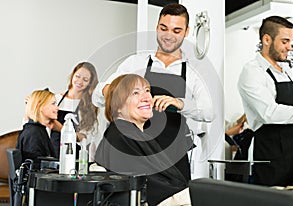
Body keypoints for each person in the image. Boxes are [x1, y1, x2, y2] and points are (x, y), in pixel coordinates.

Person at [92, 3, 213, 180]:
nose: (168, 36)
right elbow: (97, 96)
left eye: (176, 31)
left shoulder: (195, 73)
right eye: (164, 28)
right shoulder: (135, 63)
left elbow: (209, 112)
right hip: (135, 153)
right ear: (157, 27)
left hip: (174, 156)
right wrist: (114, 90)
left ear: (186, 32)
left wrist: (180, 103)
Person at [95, 74, 190, 206]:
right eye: (135, 93)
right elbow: (153, 189)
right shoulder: (122, 137)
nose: (146, 98)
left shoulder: (129, 133)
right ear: (117, 105)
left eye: (147, 91)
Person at [238, 16, 293, 186]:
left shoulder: (287, 70)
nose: (289, 47)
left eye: (291, 42)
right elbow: (269, 113)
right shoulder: (252, 72)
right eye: (285, 41)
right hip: (270, 157)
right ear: (267, 39)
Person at [51, 62, 105, 162]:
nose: (79, 81)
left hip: (75, 155)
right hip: (53, 152)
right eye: (77, 76)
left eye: (85, 80)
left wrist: (63, 130)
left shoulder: (90, 105)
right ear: (72, 75)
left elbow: (85, 137)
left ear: (90, 83)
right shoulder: (56, 99)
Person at [17, 90, 58, 169]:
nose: (57, 108)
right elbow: (35, 169)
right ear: (40, 106)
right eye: (53, 104)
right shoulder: (33, 133)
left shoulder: (38, 130)